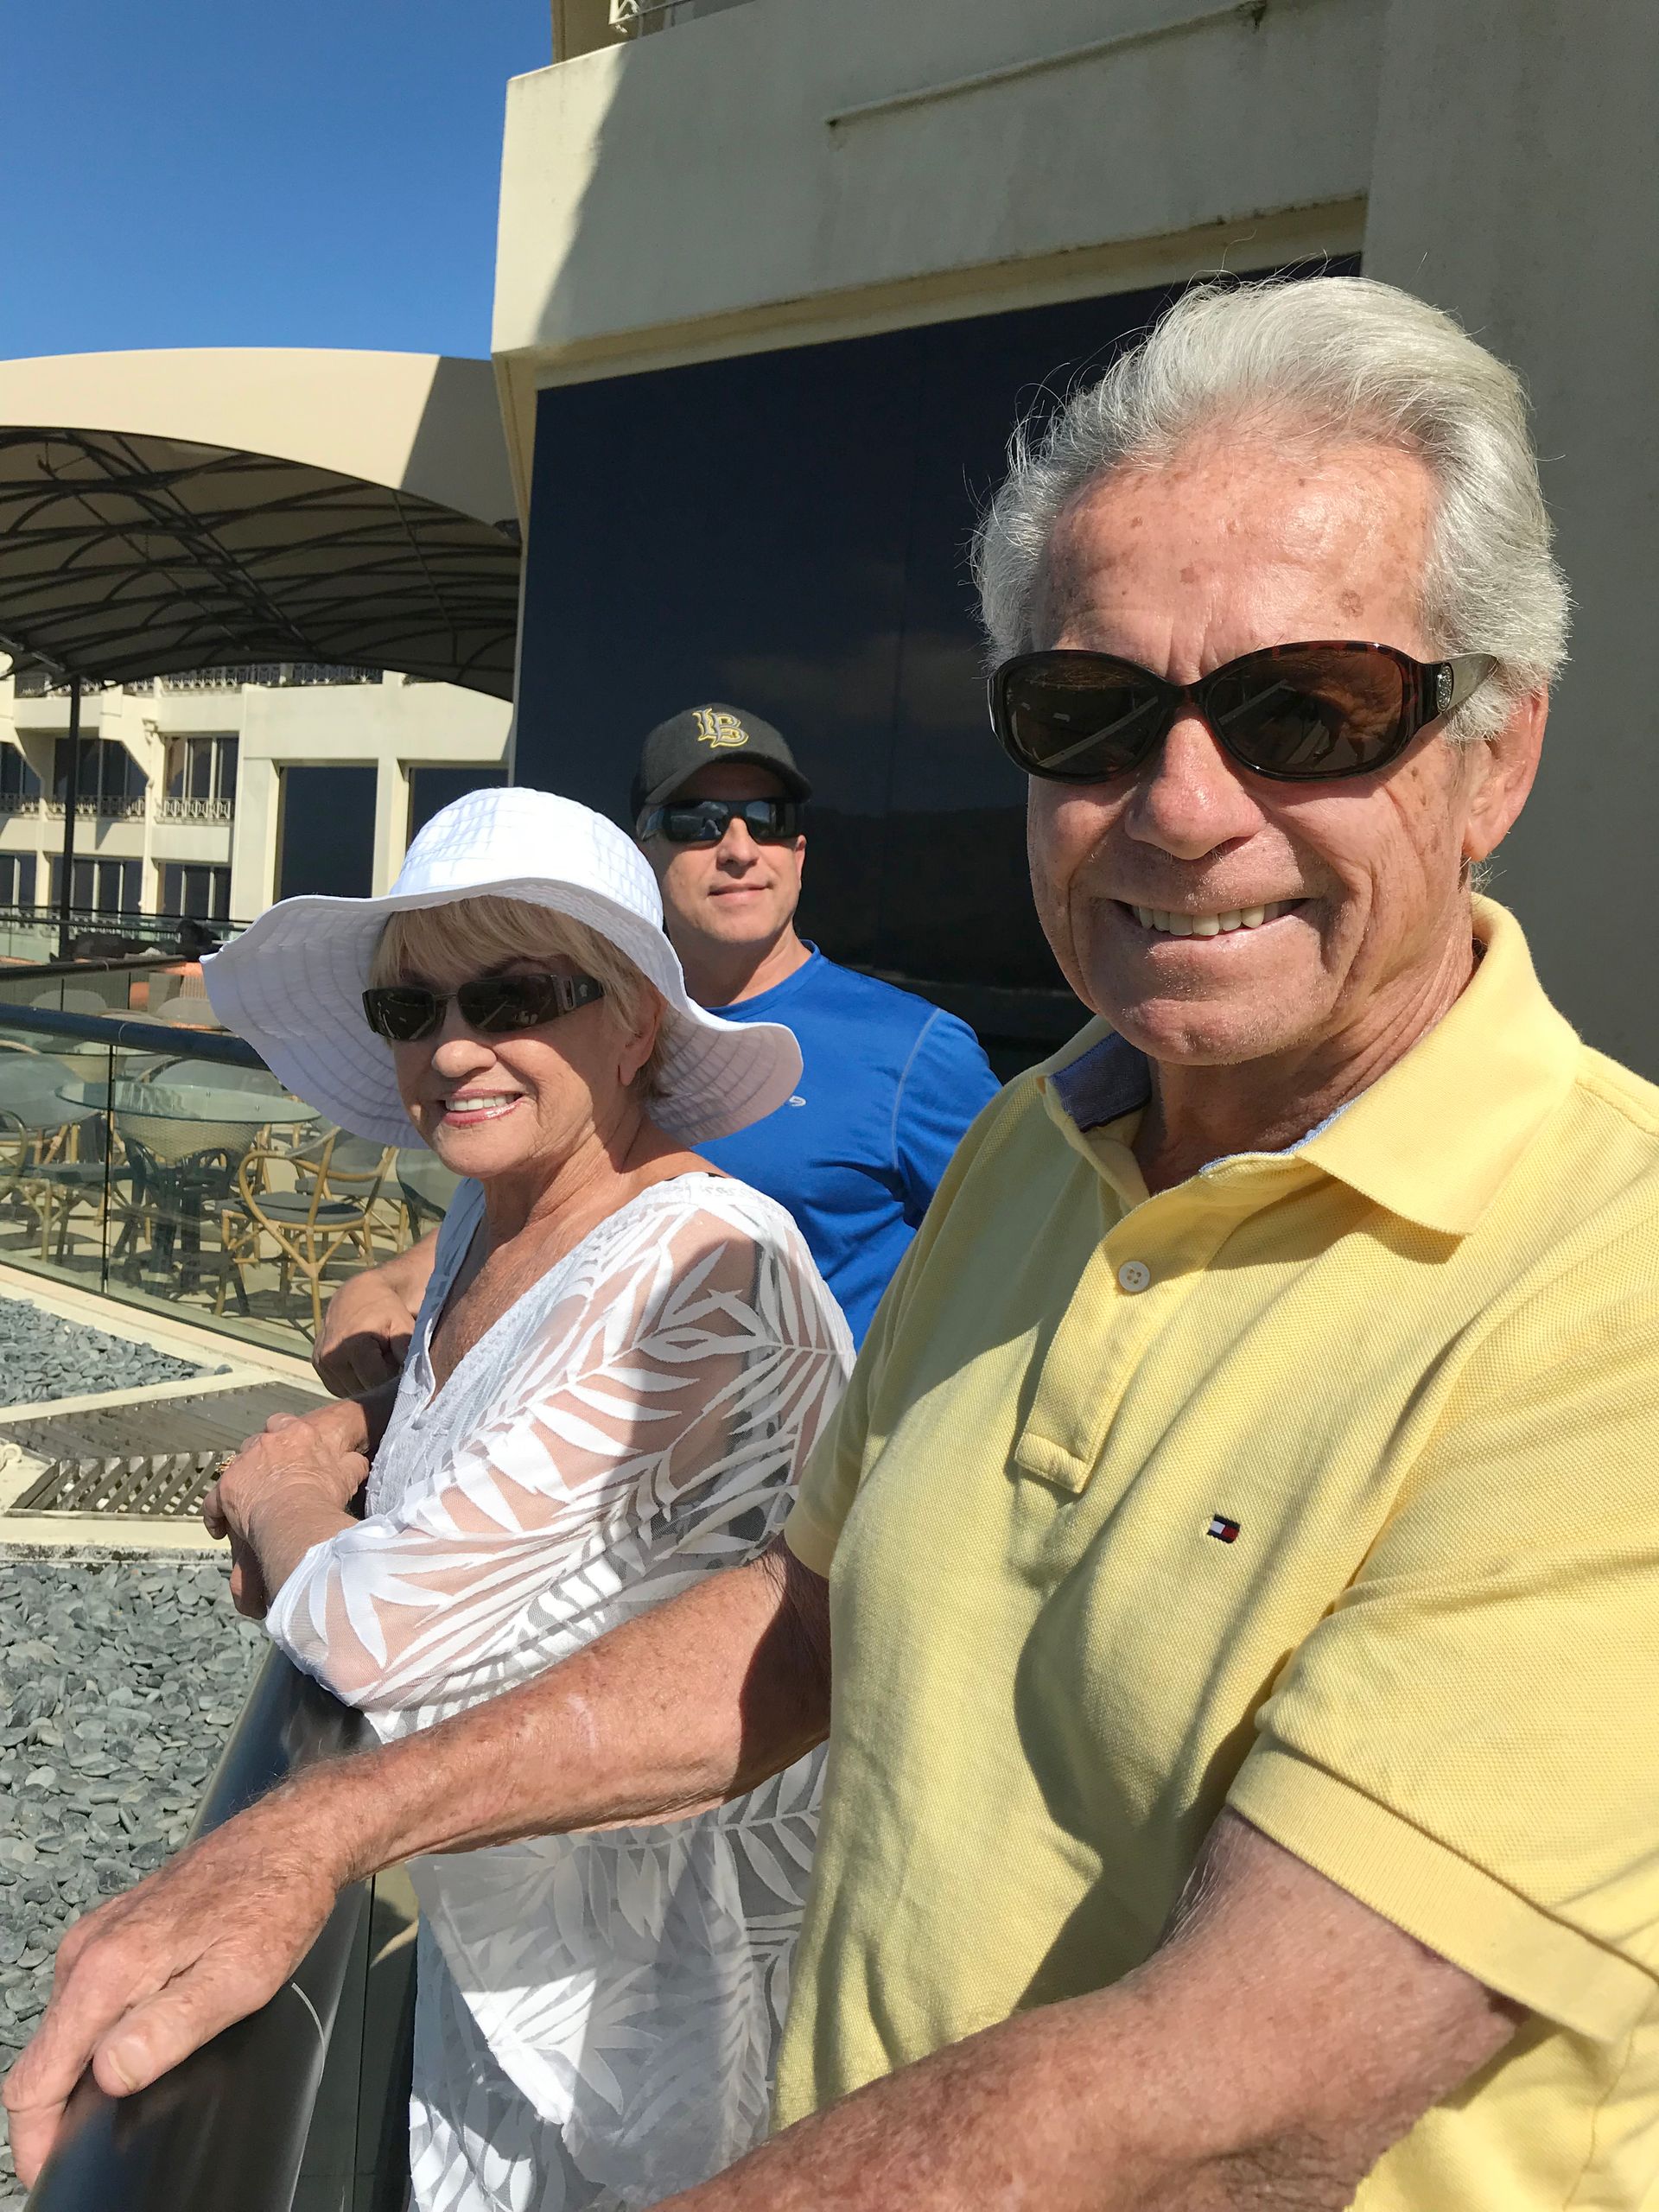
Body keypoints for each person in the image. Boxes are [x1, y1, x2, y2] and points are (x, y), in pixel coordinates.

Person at [12, 276, 1659, 2212]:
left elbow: (1251, 2073)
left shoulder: (1605, 1285)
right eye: (1092, 715)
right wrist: (319, 1828)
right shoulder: (1037, 1151)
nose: (1184, 805)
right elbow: (804, 1626)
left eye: (1308, 709)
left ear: (1497, 753)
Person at [183, 787, 855, 2211]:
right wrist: (362, 1423)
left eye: (514, 996)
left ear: (637, 1025)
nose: (451, 1047)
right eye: (409, 1009)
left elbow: (376, 1635)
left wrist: (281, 1489)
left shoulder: (706, 1272)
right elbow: (491, 1427)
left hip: (660, 2019)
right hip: (515, 1940)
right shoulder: (495, 1224)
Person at [315, 706, 996, 1389]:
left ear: (798, 853)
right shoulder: (570, 1032)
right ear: (643, 856)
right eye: (696, 821)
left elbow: (1016, 1261)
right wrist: (386, 1287)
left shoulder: (911, 1049)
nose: (739, 848)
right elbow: (533, 1212)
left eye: (768, 819)